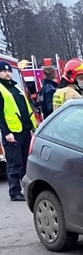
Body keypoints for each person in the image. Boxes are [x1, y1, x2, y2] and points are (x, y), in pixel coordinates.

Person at [0, 61, 37, 201]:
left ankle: (26, 188)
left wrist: (34, 128)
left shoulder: (16, 87)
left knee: (25, 161)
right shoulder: (1, 89)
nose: (7, 73)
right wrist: (6, 132)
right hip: (12, 132)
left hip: (25, 129)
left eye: (9, 71)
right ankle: (14, 191)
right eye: (4, 71)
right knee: (14, 162)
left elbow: (27, 108)